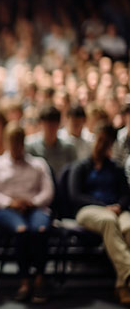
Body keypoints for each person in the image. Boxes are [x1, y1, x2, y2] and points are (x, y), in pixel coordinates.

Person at [0, 123, 54, 303]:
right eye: (12, 142)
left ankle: (39, 278)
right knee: (21, 230)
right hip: (5, 209)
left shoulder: (38, 164)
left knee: (40, 230)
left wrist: (33, 202)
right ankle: (24, 281)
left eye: (19, 142)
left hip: (34, 207)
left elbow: (48, 191)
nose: (16, 146)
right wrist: (10, 203)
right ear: (6, 141)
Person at [68, 122, 130, 304]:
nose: (101, 145)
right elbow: (76, 196)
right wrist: (104, 206)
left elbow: (126, 194)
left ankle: (123, 285)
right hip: (89, 210)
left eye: (106, 142)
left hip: (117, 210)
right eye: (100, 140)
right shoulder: (80, 167)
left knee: (128, 227)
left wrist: (119, 205)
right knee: (109, 221)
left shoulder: (116, 168)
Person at [26, 105, 77, 180]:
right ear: (41, 124)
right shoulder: (30, 146)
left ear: (58, 125)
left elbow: (73, 174)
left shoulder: (68, 148)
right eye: (47, 125)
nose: (50, 128)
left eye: (53, 125)